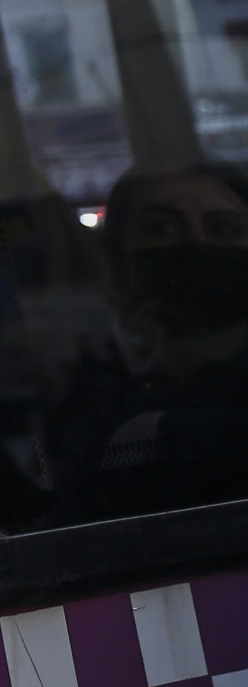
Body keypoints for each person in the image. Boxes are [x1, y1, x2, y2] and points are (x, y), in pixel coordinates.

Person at [46, 163, 248, 519]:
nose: (195, 245)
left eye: (223, 228)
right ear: (116, 258)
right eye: (161, 228)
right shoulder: (95, 396)